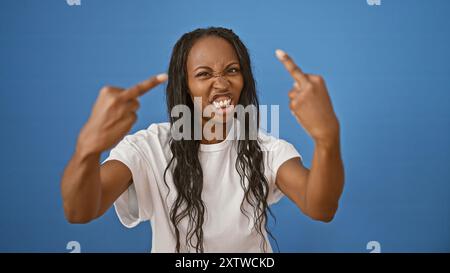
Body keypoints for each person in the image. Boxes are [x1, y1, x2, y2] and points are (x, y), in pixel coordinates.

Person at [60, 27, 344, 253]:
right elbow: (80, 211)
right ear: (185, 85)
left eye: (232, 70)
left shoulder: (264, 147)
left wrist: (327, 139)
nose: (221, 84)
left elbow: (320, 208)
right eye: (204, 74)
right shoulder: (149, 147)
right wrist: (87, 149)